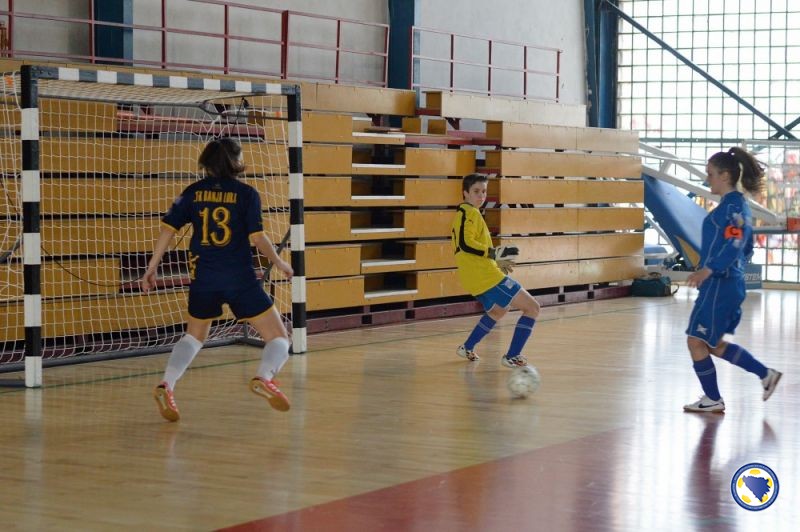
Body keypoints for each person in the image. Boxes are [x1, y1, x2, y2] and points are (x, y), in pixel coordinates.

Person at [142, 137, 294, 422]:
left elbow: (168, 230)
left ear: (207, 162)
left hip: (203, 277)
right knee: (279, 338)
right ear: (236, 162)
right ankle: (264, 377)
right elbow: (258, 238)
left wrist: (152, 267)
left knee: (193, 336)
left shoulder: (192, 192)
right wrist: (278, 261)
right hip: (239, 278)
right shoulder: (247, 194)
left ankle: (167, 384)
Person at [683, 147, 782, 413]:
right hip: (722, 284)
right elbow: (746, 246)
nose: (708, 179)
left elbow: (736, 243)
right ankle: (765, 375)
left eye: (710, 174)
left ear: (725, 175)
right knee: (711, 343)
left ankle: (714, 398)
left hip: (720, 285)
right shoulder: (733, 207)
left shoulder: (733, 208)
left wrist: (710, 269)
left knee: (696, 341)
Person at [451, 173, 540, 368]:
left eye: (484, 191)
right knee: (532, 308)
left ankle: (467, 347)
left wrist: (495, 259)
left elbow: (469, 248)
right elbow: (466, 244)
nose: (481, 195)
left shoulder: (467, 213)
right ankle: (512, 356)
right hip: (486, 277)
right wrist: (494, 253)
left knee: (499, 310)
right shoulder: (470, 213)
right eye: (476, 191)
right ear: (465, 193)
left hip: (477, 277)